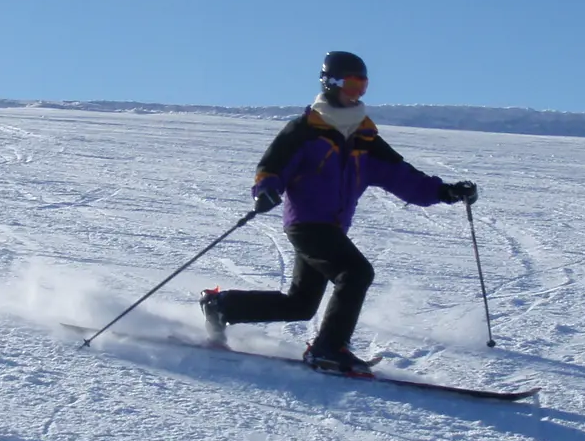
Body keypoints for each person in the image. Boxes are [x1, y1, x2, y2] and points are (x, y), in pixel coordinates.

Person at [200, 51, 477, 374]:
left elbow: (403, 176)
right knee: (356, 273)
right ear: (331, 84)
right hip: (306, 225)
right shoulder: (304, 131)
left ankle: (222, 306)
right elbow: (271, 167)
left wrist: (445, 191)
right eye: (351, 84)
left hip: (333, 229)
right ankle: (328, 348)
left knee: (301, 305)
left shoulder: (365, 139)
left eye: (363, 85)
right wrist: (266, 190)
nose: (357, 92)